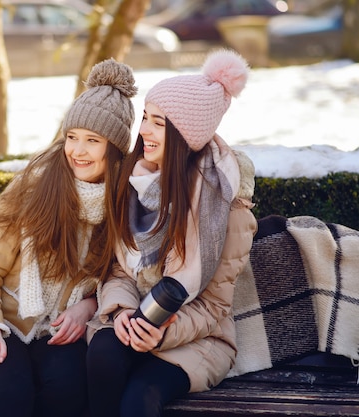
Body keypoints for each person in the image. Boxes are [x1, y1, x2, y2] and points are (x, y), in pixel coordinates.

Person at [0, 58, 137, 417]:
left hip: (56, 333)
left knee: (70, 393)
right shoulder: (33, 189)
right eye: (71, 137)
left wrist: (86, 307)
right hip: (0, 322)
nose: (77, 151)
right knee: (13, 393)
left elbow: (117, 277)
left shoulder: (121, 205)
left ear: (114, 150)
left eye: (92, 141)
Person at [86, 49, 258, 417]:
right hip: (134, 320)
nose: (143, 130)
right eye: (145, 118)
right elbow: (118, 271)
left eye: (158, 123)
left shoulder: (226, 209)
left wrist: (162, 333)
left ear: (185, 135)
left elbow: (213, 307)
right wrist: (123, 314)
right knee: (101, 359)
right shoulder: (132, 183)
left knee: (139, 397)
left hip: (194, 338)